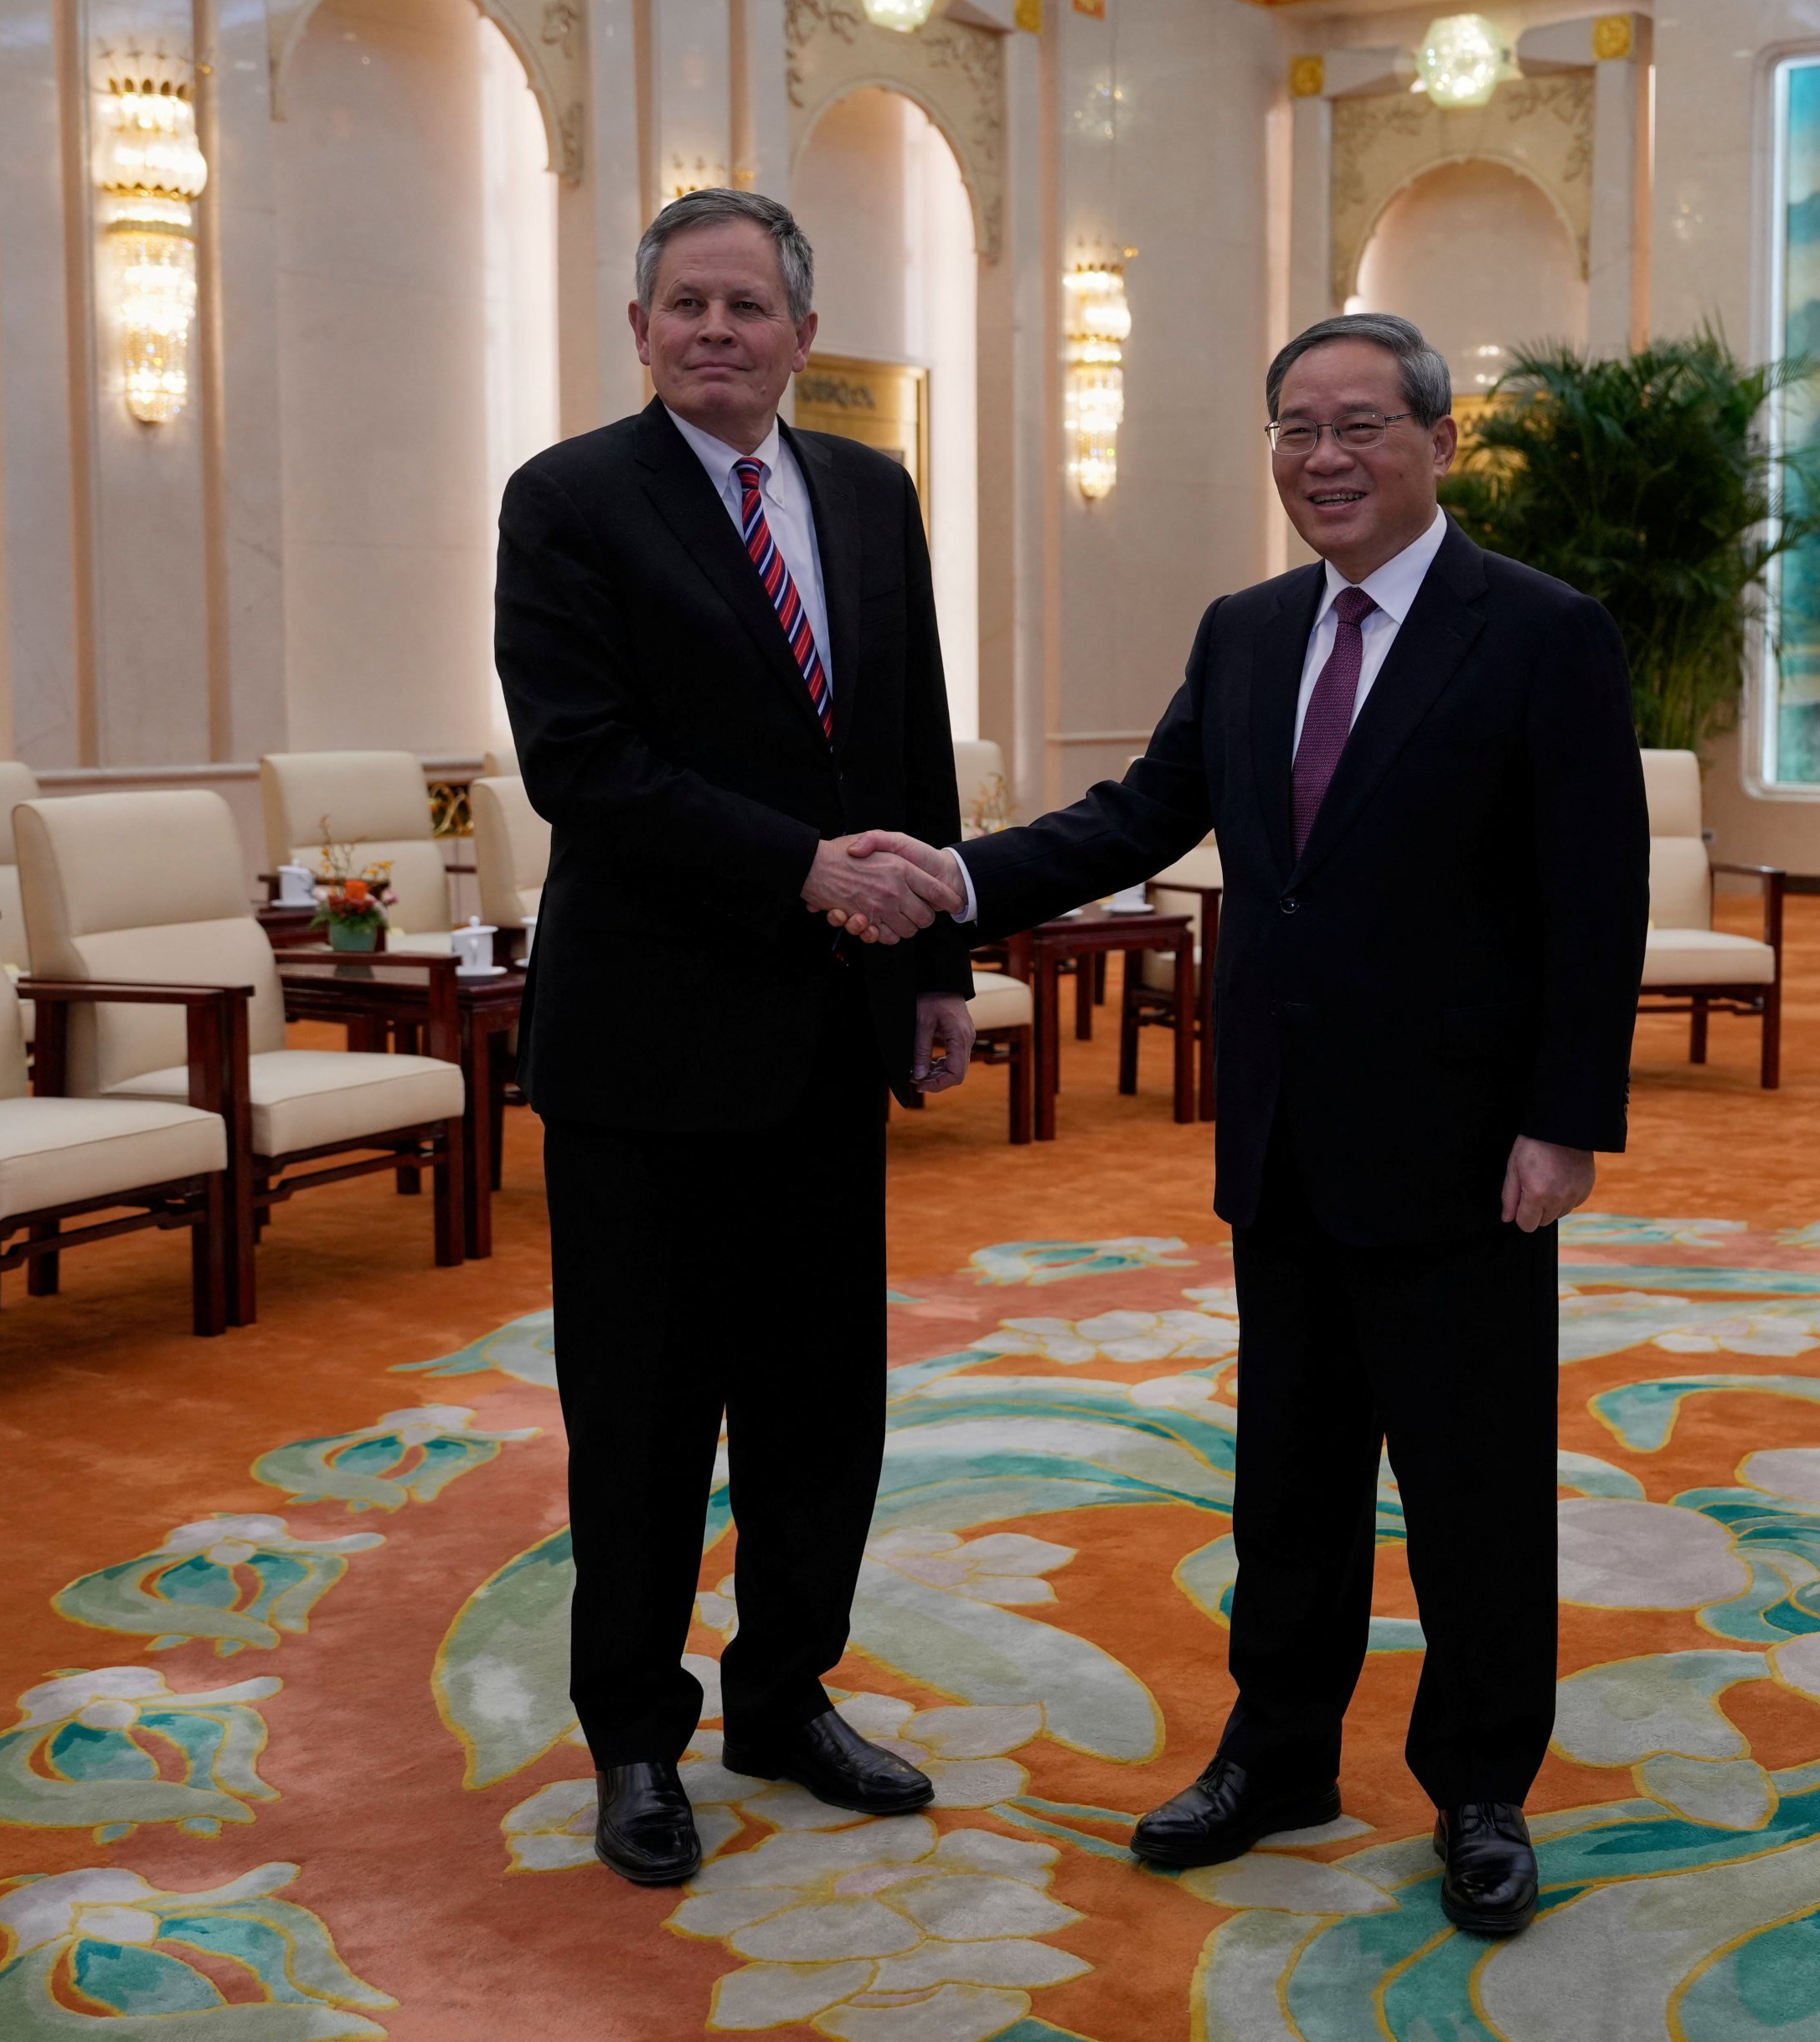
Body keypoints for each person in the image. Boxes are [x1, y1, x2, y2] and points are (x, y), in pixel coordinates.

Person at [850, 312, 1649, 1936]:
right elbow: (1141, 814)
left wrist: (1565, 1119)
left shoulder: (1541, 632)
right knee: (1287, 1481)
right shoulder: (1246, 631)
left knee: (1472, 1489)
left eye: (1360, 424)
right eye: (1295, 427)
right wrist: (960, 878)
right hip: (1281, 1140)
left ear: (1439, 442)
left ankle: (1480, 1788)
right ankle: (1276, 1753)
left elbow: (1596, 895)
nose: (1322, 456)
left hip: (1463, 1153)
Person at [492, 188, 979, 1890]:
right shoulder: (567, 500)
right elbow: (584, 763)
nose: (715, 330)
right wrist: (802, 868)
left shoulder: (870, 493)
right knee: (639, 1413)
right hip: (643, 1047)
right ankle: (635, 1737)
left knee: (819, 1403)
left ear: (802, 335)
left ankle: (785, 1697)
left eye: (746, 305)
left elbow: (906, 738)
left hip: (830, 1038)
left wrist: (938, 966)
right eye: (684, 304)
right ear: (638, 330)